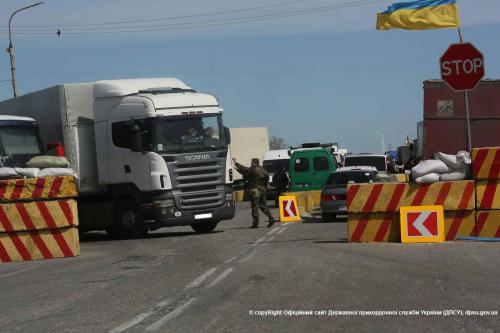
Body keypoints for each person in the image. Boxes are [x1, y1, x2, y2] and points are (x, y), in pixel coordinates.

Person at [232, 157, 277, 228]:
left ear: (255, 163)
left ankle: (255, 223)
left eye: (252, 162)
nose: (251, 163)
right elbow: (266, 181)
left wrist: (235, 163)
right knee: (263, 206)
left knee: (254, 207)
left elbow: (244, 169)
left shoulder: (253, 169)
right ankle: (271, 218)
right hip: (263, 190)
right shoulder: (264, 170)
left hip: (255, 190)